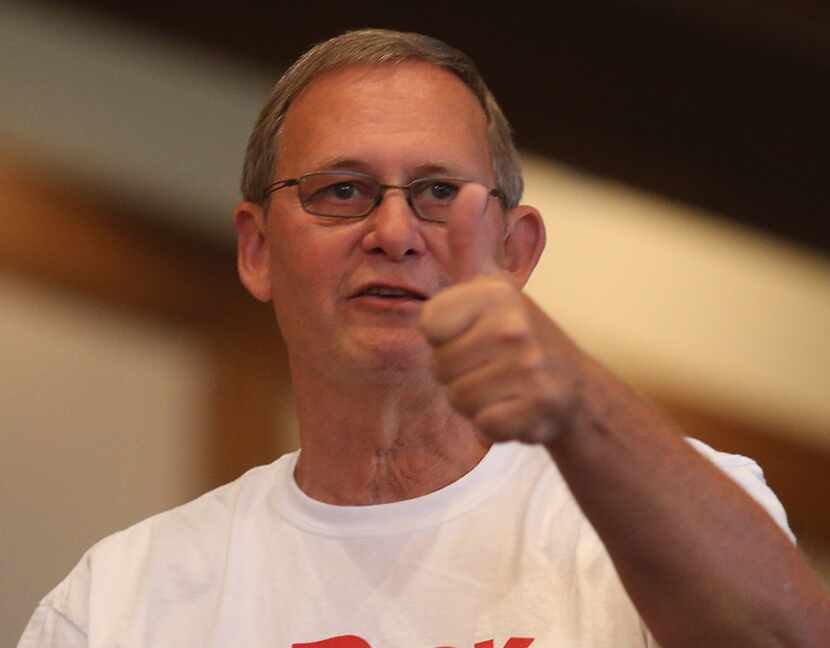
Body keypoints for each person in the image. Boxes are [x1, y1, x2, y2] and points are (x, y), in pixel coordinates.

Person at [19, 28, 829, 648]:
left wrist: (580, 400)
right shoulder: (117, 603)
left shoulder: (661, 510)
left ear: (515, 253)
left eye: (439, 190)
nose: (396, 231)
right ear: (257, 249)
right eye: (343, 191)